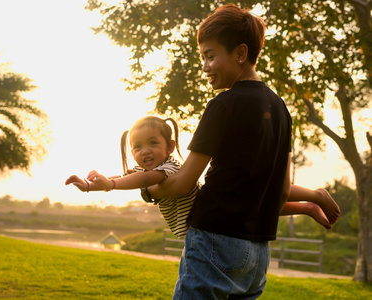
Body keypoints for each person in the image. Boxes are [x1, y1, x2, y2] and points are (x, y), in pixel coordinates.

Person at [138, 4, 340, 299]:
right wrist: (311, 199)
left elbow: (182, 183)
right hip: (257, 254)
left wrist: (148, 189)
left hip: (213, 242)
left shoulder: (222, 105)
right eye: (202, 57)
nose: (205, 66)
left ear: (240, 54)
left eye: (210, 56)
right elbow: (280, 192)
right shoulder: (281, 110)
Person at [65, 116, 338, 240]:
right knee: (258, 206)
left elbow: (138, 180)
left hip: (208, 214)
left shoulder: (169, 167)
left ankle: (314, 195)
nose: (144, 151)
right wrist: (92, 185)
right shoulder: (146, 170)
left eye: (152, 143)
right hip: (205, 220)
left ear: (170, 146)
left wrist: (110, 185)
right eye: (137, 147)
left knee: (258, 199)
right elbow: (130, 176)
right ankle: (307, 206)